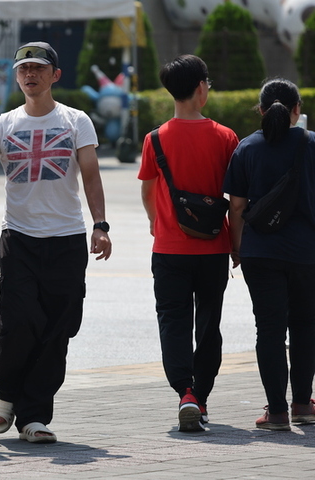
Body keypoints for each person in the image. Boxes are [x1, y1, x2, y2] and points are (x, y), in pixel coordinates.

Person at [0, 41, 112, 444]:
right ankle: (6, 396)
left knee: (58, 328)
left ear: (55, 75)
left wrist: (100, 224)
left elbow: (91, 176)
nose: (30, 75)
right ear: (16, 76)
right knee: (17, 324)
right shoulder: (3, 126)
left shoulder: (76, 121)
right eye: (24, 69)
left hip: (66, 240)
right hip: (19, 240)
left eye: (38, 68)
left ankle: (34, 415)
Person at [138, 54, 239, 432]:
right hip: (213, 248)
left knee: (173, 322)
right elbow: (238, 200)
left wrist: (156, 222)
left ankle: (185, 392)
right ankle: (202, 396)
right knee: (209, 324)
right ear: (201, 89)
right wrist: (237, 243)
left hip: (168, 249)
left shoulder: (155, 139)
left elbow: (148, 191)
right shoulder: (226, 137)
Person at [224, 78, 315, 431]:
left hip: (260, 253)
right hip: (307, 253)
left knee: (270, 330)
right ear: (297, 110)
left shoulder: (247, 148)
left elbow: (237, 206)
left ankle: (276, 412)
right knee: (306, 327)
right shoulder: (311, 145)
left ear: (261, 110)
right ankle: (304, 406)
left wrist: (236, 247)